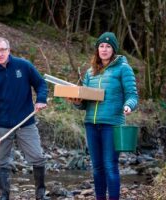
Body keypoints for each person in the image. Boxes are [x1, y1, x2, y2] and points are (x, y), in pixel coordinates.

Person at [67, 32, 138, 200]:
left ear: (113, 49)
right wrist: (76, 101)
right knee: (97, 167)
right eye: (101, 46)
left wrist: (128, 105)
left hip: (112, 124)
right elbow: (84, 103)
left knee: (110, 166)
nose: (104, 49)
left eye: (108, 46)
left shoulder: (123, 68)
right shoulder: (90, 72)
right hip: (91, 124)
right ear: (97, 49)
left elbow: (132, 94)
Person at [0, 37, 50, 200]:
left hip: (26, 122)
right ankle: (3, 195)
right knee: (0, 160)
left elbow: (41, 84)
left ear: (9, 50)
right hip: (3, 125)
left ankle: (40, 194)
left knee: (37, 157)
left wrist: (41, 99)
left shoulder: (24, 66)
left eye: (2, 50)